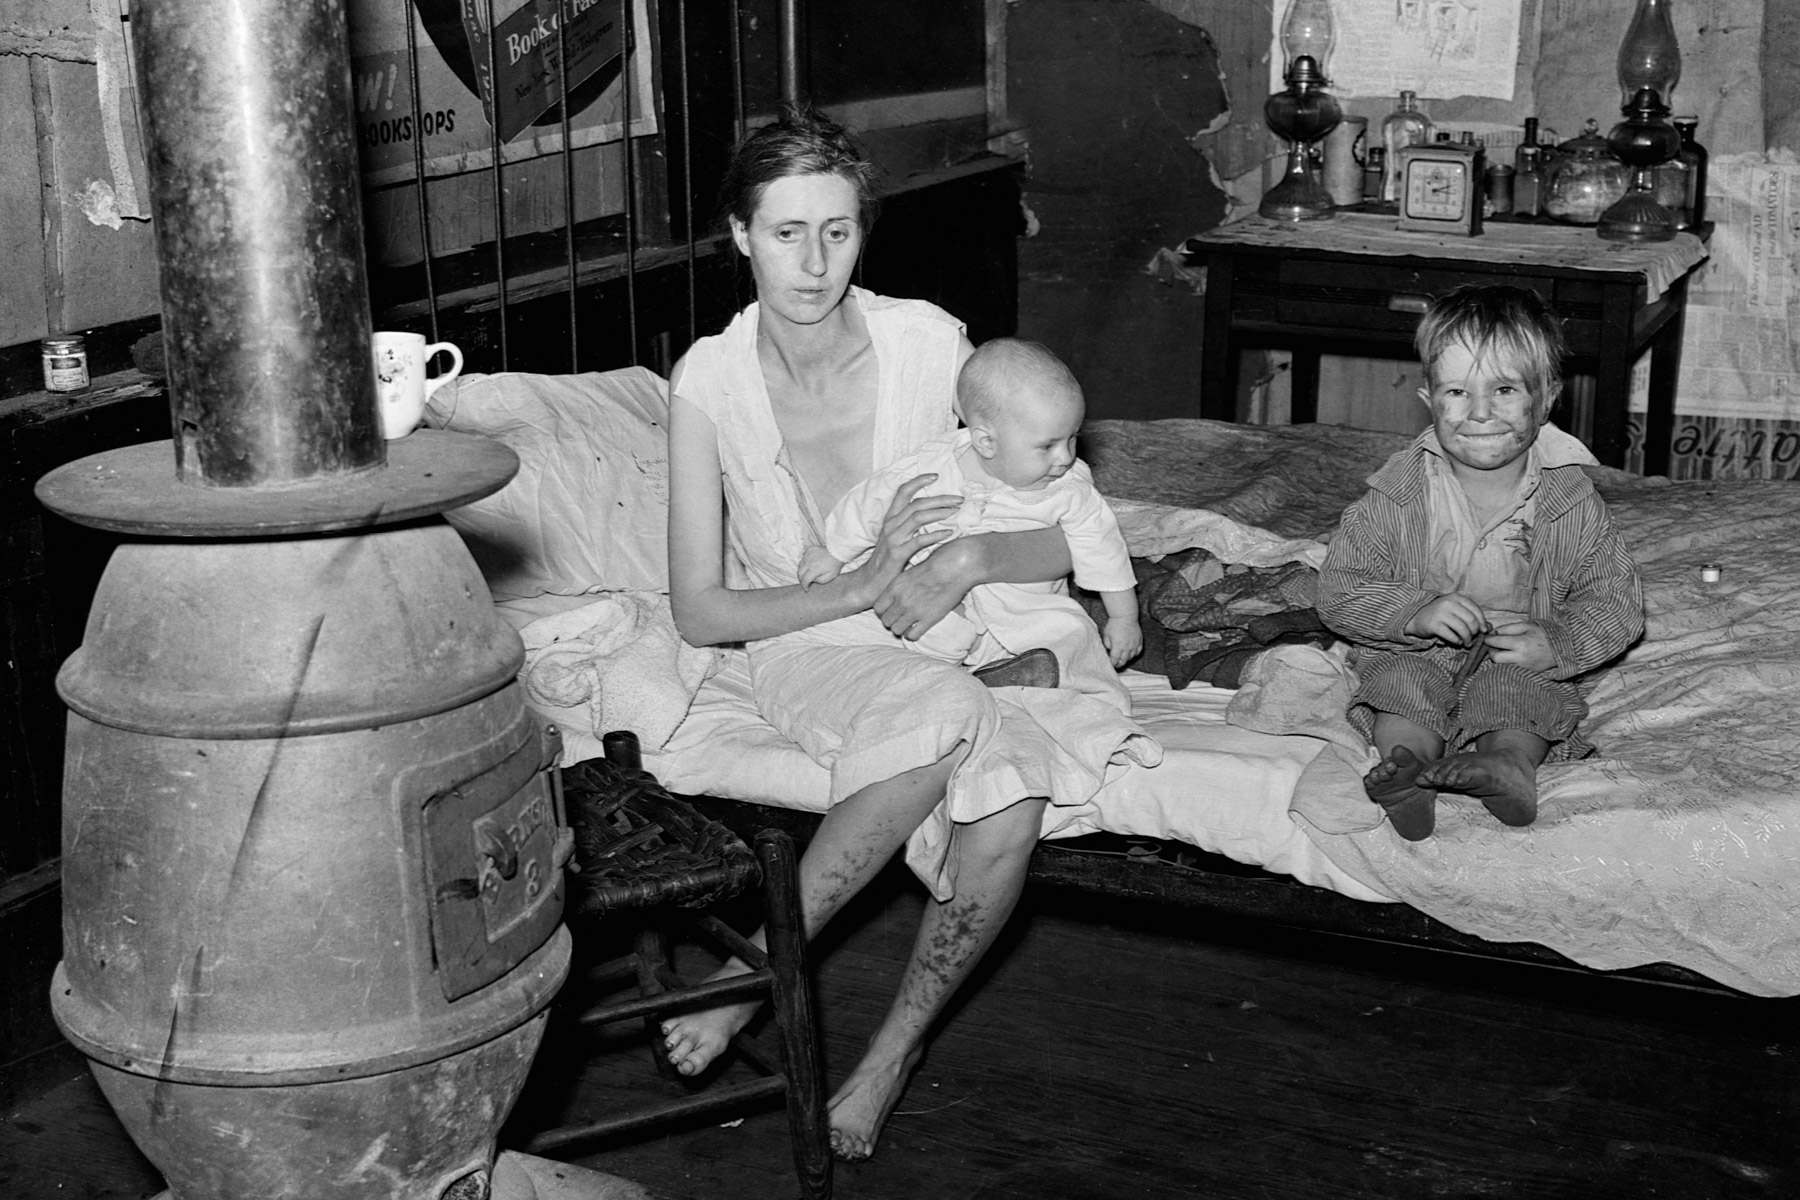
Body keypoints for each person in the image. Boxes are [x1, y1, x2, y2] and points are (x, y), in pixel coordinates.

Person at [660, 106, 1156, 1162]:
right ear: (738, 234)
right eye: (786, 232)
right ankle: (758, 971)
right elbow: (703, 610)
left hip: (965, 628)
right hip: (814, 644)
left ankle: (890, 1055)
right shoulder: (706, 382)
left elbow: (1059, 520)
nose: (814, 262)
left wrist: (970, 560)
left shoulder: (932, 346)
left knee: (1012, 795)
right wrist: (864, 582)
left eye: (837, 231)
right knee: (946, 711)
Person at [1316, 283, 1643, 841]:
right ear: (1428, 399)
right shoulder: (1396, 496)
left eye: (1505, 389)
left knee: (1520, 695)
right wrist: (1412, 613)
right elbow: (1340, 587)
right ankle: (1409, 772)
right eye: (1457, 392)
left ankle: (1509, 768)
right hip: (1418, 647)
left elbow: (1616, 600)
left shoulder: (1572, 501)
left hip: (1520, 651)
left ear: (1546, 398)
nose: (1481, 412)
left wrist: (1558, 644)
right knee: (1398, 684)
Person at [795, 337, 1144, 712]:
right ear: (985, 441)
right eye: (1048, 446)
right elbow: (871, 502)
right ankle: (948, 686)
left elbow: (1105, 552)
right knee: (922, 634)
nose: (1065, 458)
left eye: (1072, 438)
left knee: (1073, 634)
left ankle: (1036, 686)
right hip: (937, 601)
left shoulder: (1070, 490)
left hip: (1026, 608)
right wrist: (834, 551)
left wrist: (1124, 617)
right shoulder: (930, 469)